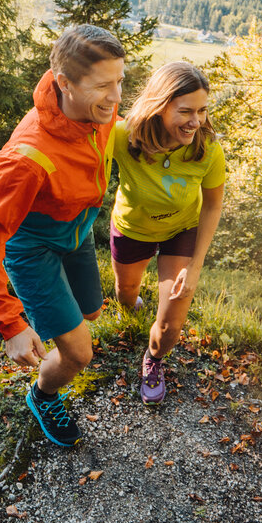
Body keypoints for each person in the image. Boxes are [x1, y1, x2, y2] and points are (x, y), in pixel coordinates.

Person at [0, 25, 125, 447]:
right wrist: (10, 324)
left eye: (120, 81)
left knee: (90, 313)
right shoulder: (26, 159)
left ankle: (52, 318)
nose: (115, 96)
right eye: (103, 85)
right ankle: (43, 394)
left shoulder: (97, 112)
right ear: (64, 84)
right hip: (33, 249)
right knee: (79, 353)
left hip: (76, 233)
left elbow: (120, 129)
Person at [109, 61, 226, 405]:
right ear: (159, 106)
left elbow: (212, 206)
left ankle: (154, 359)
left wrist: (195, 266)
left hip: (182, 230)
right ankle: (130, 309)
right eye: (186, 111)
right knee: (126, 292)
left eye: (203, 110)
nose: (196, 121)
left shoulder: (208, 150)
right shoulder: (123, 136)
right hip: (133, 227)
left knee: (173, 318)